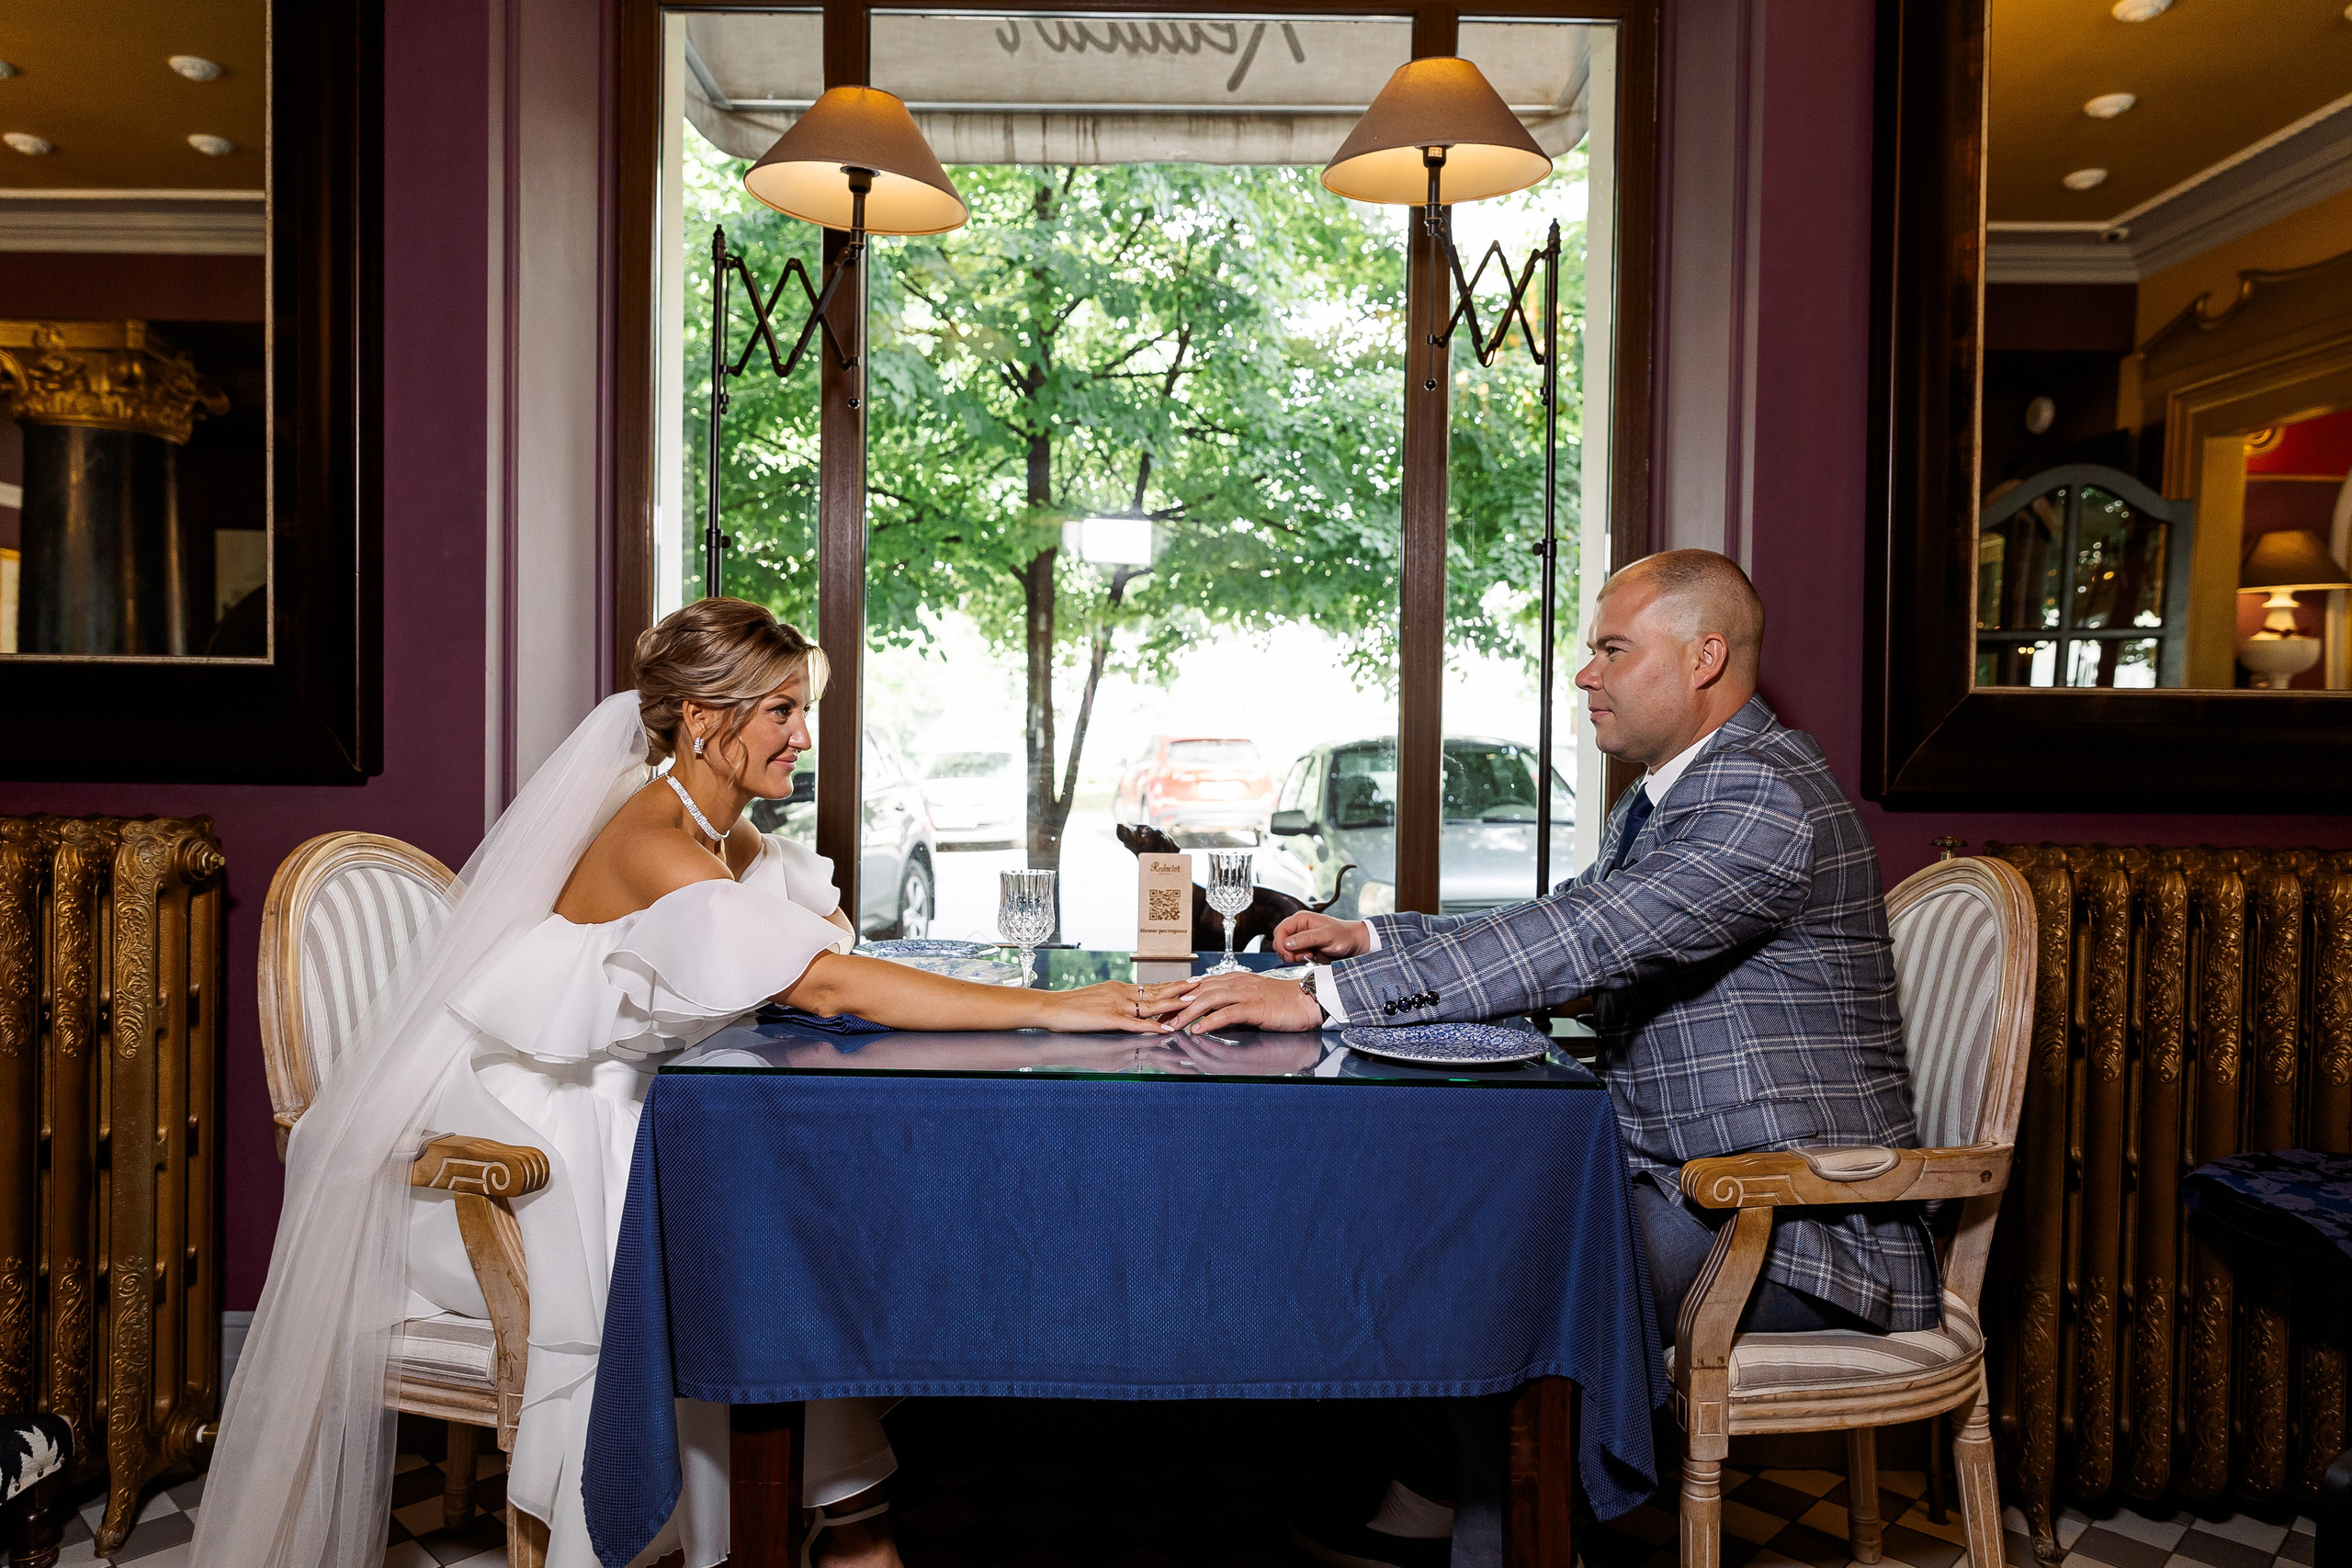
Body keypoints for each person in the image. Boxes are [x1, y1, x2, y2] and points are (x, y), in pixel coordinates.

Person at [196, 598, 1161, 1568]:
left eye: (800, 709)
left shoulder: (725, 836)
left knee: (782, 1212)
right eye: (780, 711)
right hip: (552, 1145)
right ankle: (785, 1526)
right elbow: (820, 980)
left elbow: (815, 960)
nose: (802, 736)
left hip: (649, 1106)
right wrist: (1057, 1010)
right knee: (760, 1235)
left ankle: (826, 1522)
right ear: (703, 719)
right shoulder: (650, 836)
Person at [1140, 550, 1935, 1568]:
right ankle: (1444, 1501)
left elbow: (1589, 943)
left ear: (1704, 656)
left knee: (1491, 1250)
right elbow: (1565, 924)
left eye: (1611, 649)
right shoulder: (1677, 795)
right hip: (1695, 1191)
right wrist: (1374, 941)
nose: (1584, 675)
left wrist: (1313, 999)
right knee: (1458, 1214)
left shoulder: (1759, 797)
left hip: (1794, 1230)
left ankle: (1487, 1531)